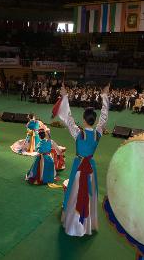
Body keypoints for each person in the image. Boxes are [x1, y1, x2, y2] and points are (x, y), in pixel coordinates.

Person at [55, 82, 110, 237]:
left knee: (75, 192)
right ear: (94, 120)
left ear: (84, 119)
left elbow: (67, 117)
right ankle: (87, 225)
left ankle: (73, 224)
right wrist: (105, 96)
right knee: (89, 194)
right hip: (90, 167)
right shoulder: (97, 133)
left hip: (78, 165)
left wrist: (65, 96)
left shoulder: (78, 134)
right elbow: (104, 118)